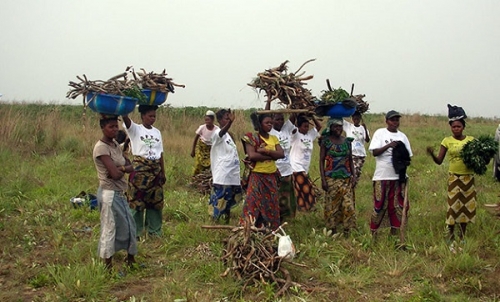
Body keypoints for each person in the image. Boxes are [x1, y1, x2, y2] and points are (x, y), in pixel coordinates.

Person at [93, 115, 137, 270]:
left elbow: (129, 166)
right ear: (103, 127)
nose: (114, 129)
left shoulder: (115, 146)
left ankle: (130, 260)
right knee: (110, 228)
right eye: (111, 127)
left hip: (119, 192)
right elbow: (116, 174)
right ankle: (107, 267)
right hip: (109, 194)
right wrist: (121, 170)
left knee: (130, 225)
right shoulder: (101, 148)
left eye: (116, 126)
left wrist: (120, 169)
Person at [426, 111, 475, 243]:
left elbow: (479, 159)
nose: (456, 129)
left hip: (468, 178)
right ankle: (451, 234)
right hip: (454, 177)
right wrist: (432, 154)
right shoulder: (446, 141)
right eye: (453, 127)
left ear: (463, 127)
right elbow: (439, 160)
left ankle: (462, 235)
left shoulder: (471, 140)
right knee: (453, 206)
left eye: (458, 126)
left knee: (466, 206)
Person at [122, 105, 166, 238]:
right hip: (140, 171)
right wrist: (124, 107)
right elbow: (125, 119)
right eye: (150, 116)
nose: (152, 119)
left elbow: (161, 154)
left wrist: (163, 173)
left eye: (154, 116)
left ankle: (154, 231)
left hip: (155, 171)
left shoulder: (157, 132)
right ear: (142, 116)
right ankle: (135, 233)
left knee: (155, 203)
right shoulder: (135, 129)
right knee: (137, 202)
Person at [368, 110, 412, 237]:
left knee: (397, 207)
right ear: (387, 121)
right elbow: (375, 152)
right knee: (380, 205)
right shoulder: (380, 133)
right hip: (382, 176)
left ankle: (395, 234)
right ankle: (374, 233)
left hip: (398, 178)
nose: (395, 122)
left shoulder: (402, 136)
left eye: (397, 120)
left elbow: (408, 157)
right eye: (392, 120)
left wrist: (402, 162)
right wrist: (389, 146)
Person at [241, 112, 284, 230]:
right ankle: (248, 228)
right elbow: (252, 156)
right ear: (260, 124)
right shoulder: (251, 137)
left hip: (271, 176)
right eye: (267, 123)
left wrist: (266, 152)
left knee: (271, 204)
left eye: (271, 123)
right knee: (252, 202)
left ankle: (270, 229)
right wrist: (272, 156)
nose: (270, 125)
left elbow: (281, 154)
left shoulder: (274, 138)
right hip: (257, 175)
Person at [319, 117, 357, 236]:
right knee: (332, 206)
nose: (338, 129)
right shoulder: (326, 142)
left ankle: (347, 229)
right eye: (335, 126)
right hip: (331, 179)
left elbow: (350, 160)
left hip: (346, 179)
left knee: (348, 205)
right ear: (330, 128)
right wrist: (323, 180)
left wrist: (354, 175)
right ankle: (332, 229)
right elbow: (321, 161)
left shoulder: (347, 142)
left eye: (340, 126)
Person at [208, 109, 242, 223]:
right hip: (223, 175)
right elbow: (221, 133)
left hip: (231, 175)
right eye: (226, 118)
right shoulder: (217, 133)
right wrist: (230, 123)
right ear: (219, 120)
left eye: (229, 118)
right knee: (220, 199)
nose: (228, 120)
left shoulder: (228, 136)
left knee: (229, 199)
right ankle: (215, 221)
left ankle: (226, 220)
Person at [265, 104, 297, 220]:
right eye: (277, 119)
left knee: (286, 195)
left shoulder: (287, 129)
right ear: (272, 120)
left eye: (281, 119)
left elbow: (294, 114)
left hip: (287, 169)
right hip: (275, 169)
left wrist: (292, 101)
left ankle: (285, 217)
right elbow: (265, 113)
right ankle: (273, 215)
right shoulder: (270, 131)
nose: (280, 121)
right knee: (274, 194)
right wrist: (269, 99)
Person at [290, 114, 322, 211]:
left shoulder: (310, 135)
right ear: (299, 127)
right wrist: (295, 113)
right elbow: (291, 126)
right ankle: (307, 207)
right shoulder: (295, 135)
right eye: (304, 126)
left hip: (305, 167)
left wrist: (312, 116)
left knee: (301, 190)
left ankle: (303, 208)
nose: (307, 128)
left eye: (308, 126)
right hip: (296, 166)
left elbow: (319, 127)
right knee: (306, 188)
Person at [343, 111, 370, 186]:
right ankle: (350, 187)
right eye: (354, 118)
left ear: (360, 119)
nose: (356, 120)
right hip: (351, 154)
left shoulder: (363, 128)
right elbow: (340, 119)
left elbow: (367, 140)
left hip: (360, 154)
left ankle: (352, 187)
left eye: (358, 118)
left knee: (357, 173)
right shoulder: (349, 126)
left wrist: (365, 129)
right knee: (352, 171)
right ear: (352, 118)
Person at [190, 110, 219, 176]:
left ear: (212, 120)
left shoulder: (217, 129)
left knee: (211, 165)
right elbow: (195, 139)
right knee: (198, 164)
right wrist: (193, 150)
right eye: (206, 120)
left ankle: (207, 179)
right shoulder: (202, 128)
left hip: (210, 150)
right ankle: (195, 178)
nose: (207, 122)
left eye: (208, 120)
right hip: (201, 149)